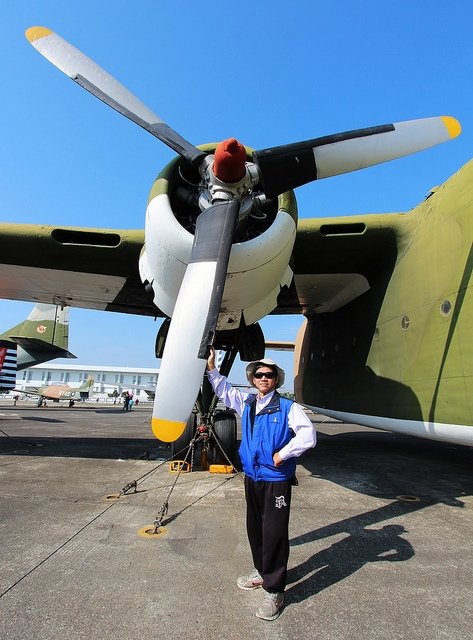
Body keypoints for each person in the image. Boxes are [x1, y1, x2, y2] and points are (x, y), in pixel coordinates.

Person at [206, 347, 316, 621]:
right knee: (255, 528)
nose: (264, 378)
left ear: (276, 380)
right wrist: (211, 368)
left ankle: (275, 590)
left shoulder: (289, 407)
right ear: (253, 379)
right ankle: (261, 571)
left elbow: (308, 435)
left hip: (276, 480)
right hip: (252, 477)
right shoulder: (248, 404)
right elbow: (224, 391)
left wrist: (283, 454)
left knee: (274, 533)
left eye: (269, 375)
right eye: (259, 375)